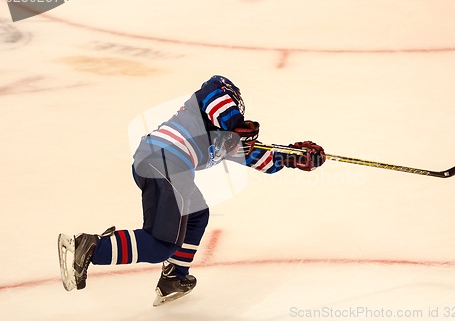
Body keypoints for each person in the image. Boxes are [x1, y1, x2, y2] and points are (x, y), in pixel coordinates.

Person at [57, 75, 326, 306]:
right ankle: (92, 248)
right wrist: (235, 124)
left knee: (197, 214)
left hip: (160, 164)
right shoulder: (211, 100)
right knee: (160, 244)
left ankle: (175, 276)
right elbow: (214, 93)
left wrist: (294, 157)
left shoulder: (226, 139)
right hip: (164, 159)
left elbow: (259, 157)